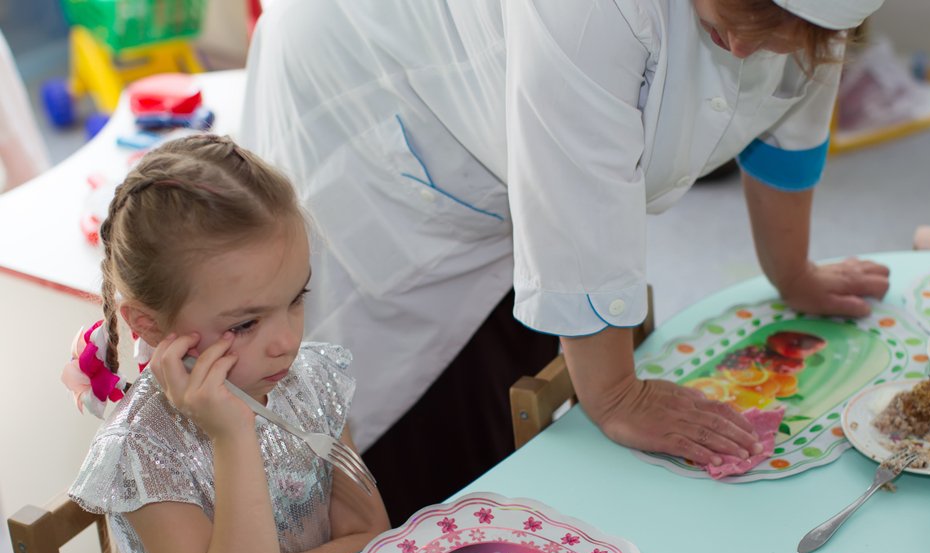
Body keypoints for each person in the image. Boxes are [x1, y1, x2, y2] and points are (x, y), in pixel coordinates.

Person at [241, 0, 890, 524]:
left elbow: (789, 122)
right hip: (373, 96)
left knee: (529, 367)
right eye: (734, 21)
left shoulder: (815, 20)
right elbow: (579, 190)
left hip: (504, 136)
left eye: (776, 31)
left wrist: (792, 271)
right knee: (429, 449)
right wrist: (616, 393)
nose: (746, 50)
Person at [64, 134, 391, 553]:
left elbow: (373, 536)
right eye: (245, 323)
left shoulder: (307, 379)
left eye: (296, 299)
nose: (286, 340)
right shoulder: (144, 448)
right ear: (149, 324)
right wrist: (231, 434)